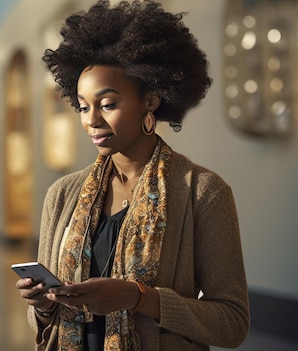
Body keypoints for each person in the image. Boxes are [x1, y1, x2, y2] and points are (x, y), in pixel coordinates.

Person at [14, 1, 249, 350]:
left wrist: (138, 298)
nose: (91, 120)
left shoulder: (202, 193)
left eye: (107, 104)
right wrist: (45, 304)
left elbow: (232, 324)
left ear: (150, 101)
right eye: (83, 106)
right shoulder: (62, 195)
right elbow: (41, 322)